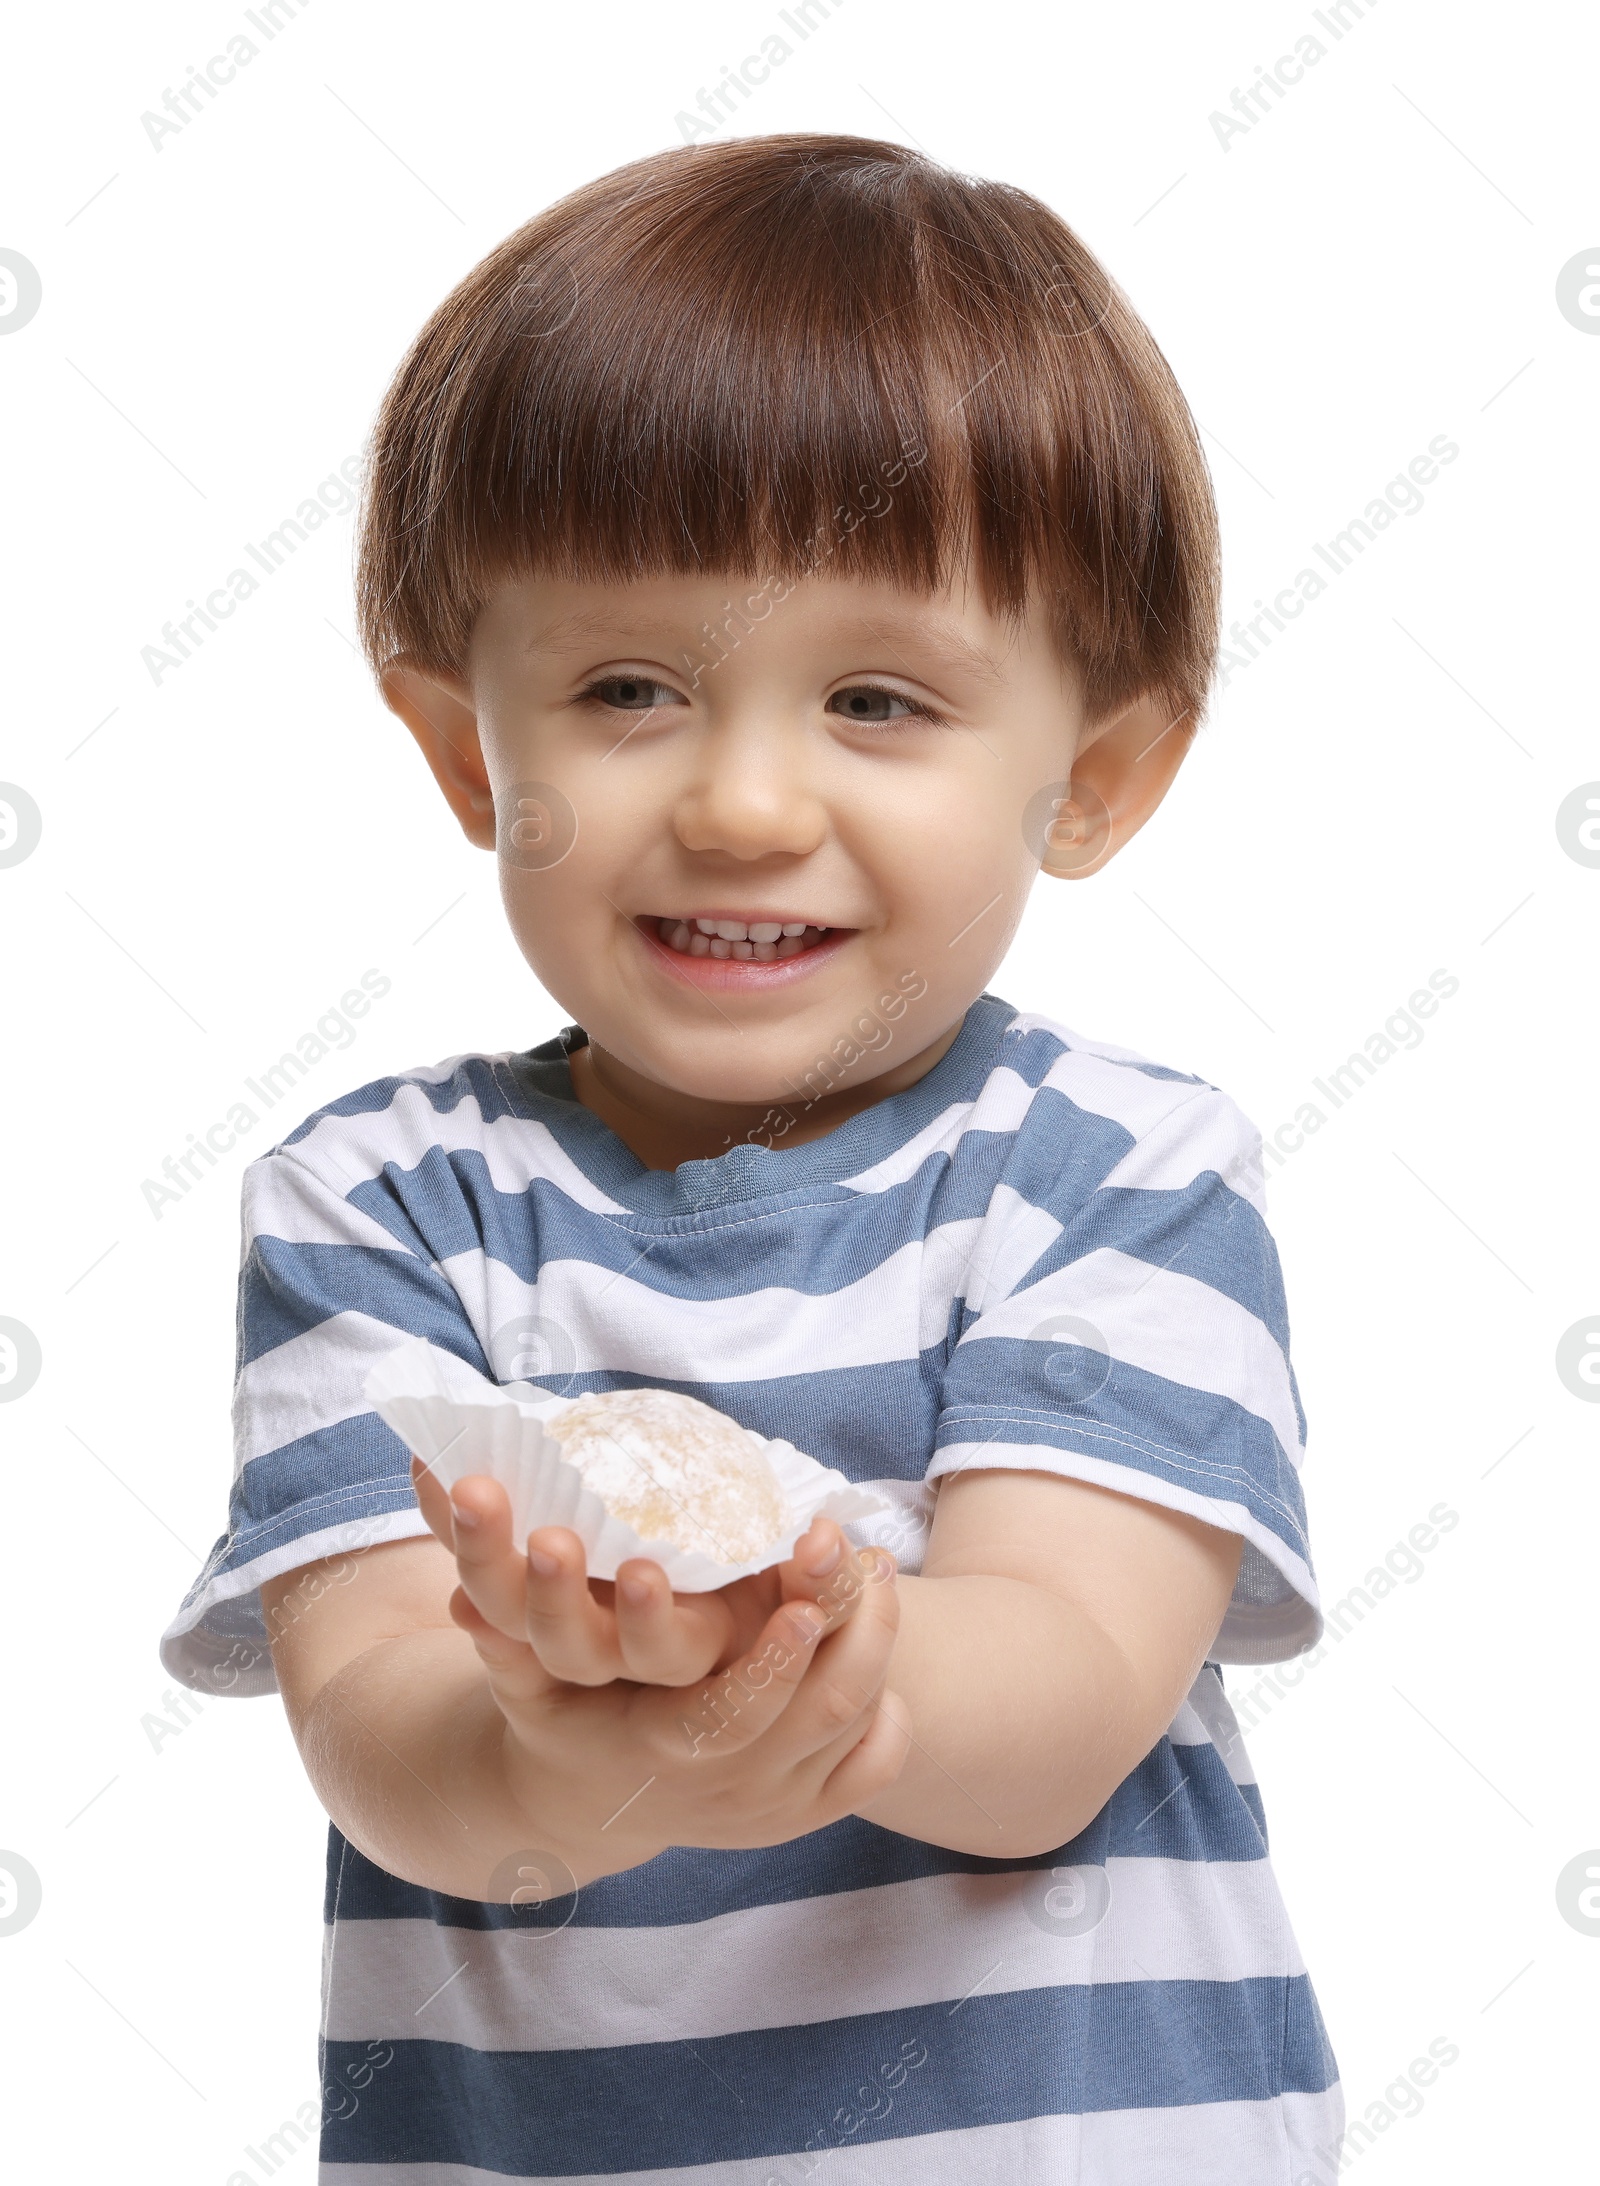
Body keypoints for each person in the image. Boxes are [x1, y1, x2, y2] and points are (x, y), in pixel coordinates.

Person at [162, 132, 1341, 2183]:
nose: (737, 800)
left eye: (875, 699)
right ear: (468, 752)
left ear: (1097, 774)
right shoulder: (382, 1205)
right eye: (627, 688)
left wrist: (821, 1683)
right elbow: (386, 1742)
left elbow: (1060, 1682)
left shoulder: (1111, 1175)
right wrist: (562, 1733)